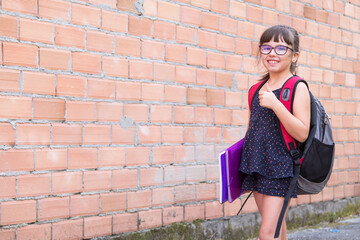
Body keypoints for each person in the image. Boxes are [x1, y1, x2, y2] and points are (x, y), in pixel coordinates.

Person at [239, 25, 311, 240]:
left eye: (281, 48)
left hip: (280, 168)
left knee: (267, 233)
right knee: (276, 228)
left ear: (294, 55)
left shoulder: (297, 87)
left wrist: (276, 104)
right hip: (256, 165)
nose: (272, 53)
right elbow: (252, 129)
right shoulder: (255, 89)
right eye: (266, 48)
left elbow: (302, 133)